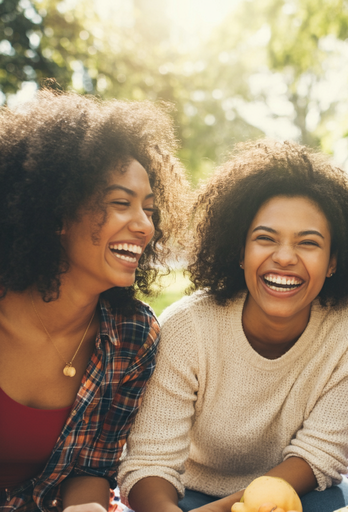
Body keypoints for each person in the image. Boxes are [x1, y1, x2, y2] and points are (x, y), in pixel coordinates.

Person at [118, 140, 348, 512]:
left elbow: (322, 453)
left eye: (308, 243)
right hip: (189, 498)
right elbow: (148, 465)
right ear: (240, 250)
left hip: (298, 492)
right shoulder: (188, 327)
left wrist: (242, 506)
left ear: (333, 262)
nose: (284, 257)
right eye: (265, 239)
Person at [0, 90, 190, 512]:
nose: (144, 226)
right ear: (57, 215)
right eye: (120, 203)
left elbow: (91, 469)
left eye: (150, 209)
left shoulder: (132, 335)